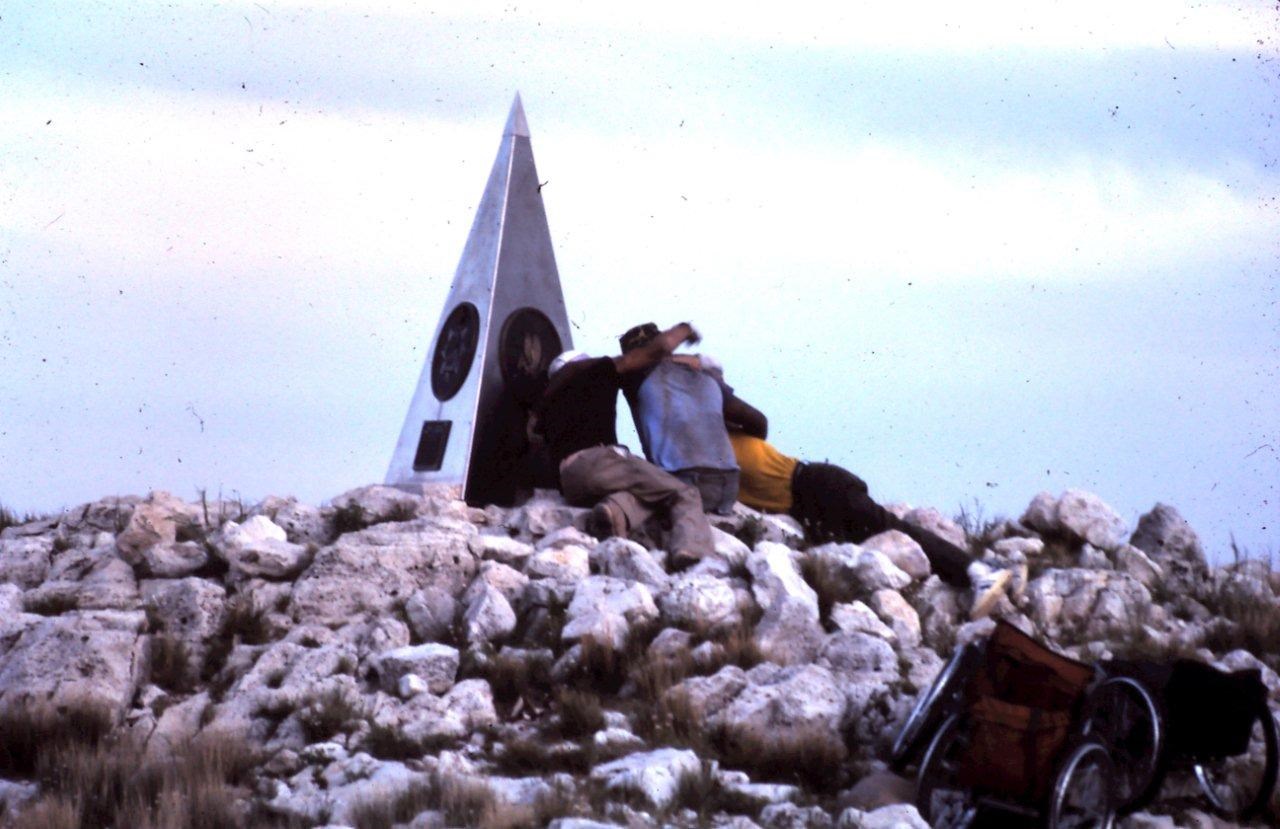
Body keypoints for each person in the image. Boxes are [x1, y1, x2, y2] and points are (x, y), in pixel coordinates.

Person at [698, 355, 1013, 620]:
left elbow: (741, 409)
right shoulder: (706, 452)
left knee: (894, 531)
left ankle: (981, 572)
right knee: (882, 549)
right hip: (810, 503)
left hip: (817, 485)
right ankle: (992, 574)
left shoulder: (732, 435)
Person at [532, 323, 714, 568]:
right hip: (599, 461)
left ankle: (614, 511)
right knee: (684, 492)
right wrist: (685, 329)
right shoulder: (595, 370)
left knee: (648, 491)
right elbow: (657, 349)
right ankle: (690, 550)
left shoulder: (547, 402)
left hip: (569, 480)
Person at [617, 323, 766, 515]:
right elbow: (758, 421)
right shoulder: (707, 375)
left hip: (681, 483)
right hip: (727, 488)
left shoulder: (633, 378)